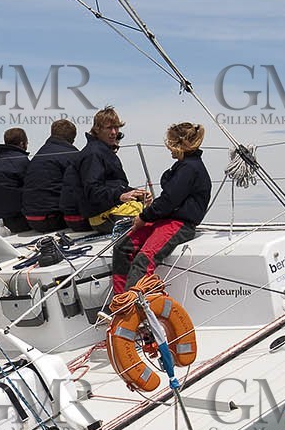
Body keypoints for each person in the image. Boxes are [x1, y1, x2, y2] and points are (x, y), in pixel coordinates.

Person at [110, 122, 211, 297]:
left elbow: (169, 200)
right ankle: (120, 300)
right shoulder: (184, 166)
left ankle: (129, 310)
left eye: (170, 145)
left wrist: (143, 216)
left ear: (178, 145)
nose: (169, 149)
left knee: (144, 259)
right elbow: (169, 199)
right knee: (122, 247)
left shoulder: (190, 169)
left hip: (179, 223)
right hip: (164, 220)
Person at [75, 107, 143, 232]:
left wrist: (136, 193)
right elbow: (92, 190)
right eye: (109, 128)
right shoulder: (93, 154)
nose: (114, 132)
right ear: (97, 129)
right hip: (100, 216)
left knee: (152, 208)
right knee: (147, 217)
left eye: (116, 127)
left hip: (110, 208)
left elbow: (114, 184)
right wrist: (120, 196)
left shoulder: (104, 151)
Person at [21, 119, 78, 233]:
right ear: (72, 139)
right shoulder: (73, 156)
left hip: (31, 220)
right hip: (54, 219)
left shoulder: (39, 155)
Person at [0, 127, 30, 235]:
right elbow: (35, 184)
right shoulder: (21, 160)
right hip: (24, 218)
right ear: (22, 144)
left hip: (5, 220)